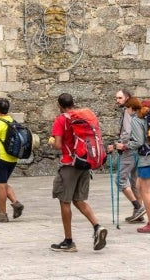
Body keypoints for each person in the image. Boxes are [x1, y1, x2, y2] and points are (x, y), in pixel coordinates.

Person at [50, 93, 107, 252]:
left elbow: (58, 144)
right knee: (79, 200)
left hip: (69, 165)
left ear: (59, 105)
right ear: (73, 104)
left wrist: (52, 142)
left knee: (64, 201)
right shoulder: (83, 118)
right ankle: (97, 226)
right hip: (84, 163)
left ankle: (68, 242)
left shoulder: (61, 119)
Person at [124, 96, 150, 234]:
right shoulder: (147, 118)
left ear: (131, 108)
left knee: (145, 191)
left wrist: (124, 146)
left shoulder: (136, 119)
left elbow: (139, 141)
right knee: (138, 186)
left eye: (126, 108)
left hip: (147, 158)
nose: (126, 111)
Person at [107, 89, 146, 223]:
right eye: (116, 98)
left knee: (120, 180)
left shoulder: (128, 112)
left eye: (119, 98)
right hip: (136, 151)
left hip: (128, 151)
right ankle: (139, 214)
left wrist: (120, 145)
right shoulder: (135, 113)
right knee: (135, 183)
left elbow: (128, 133)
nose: (117, 100)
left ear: (127, 98)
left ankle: (138, 207)